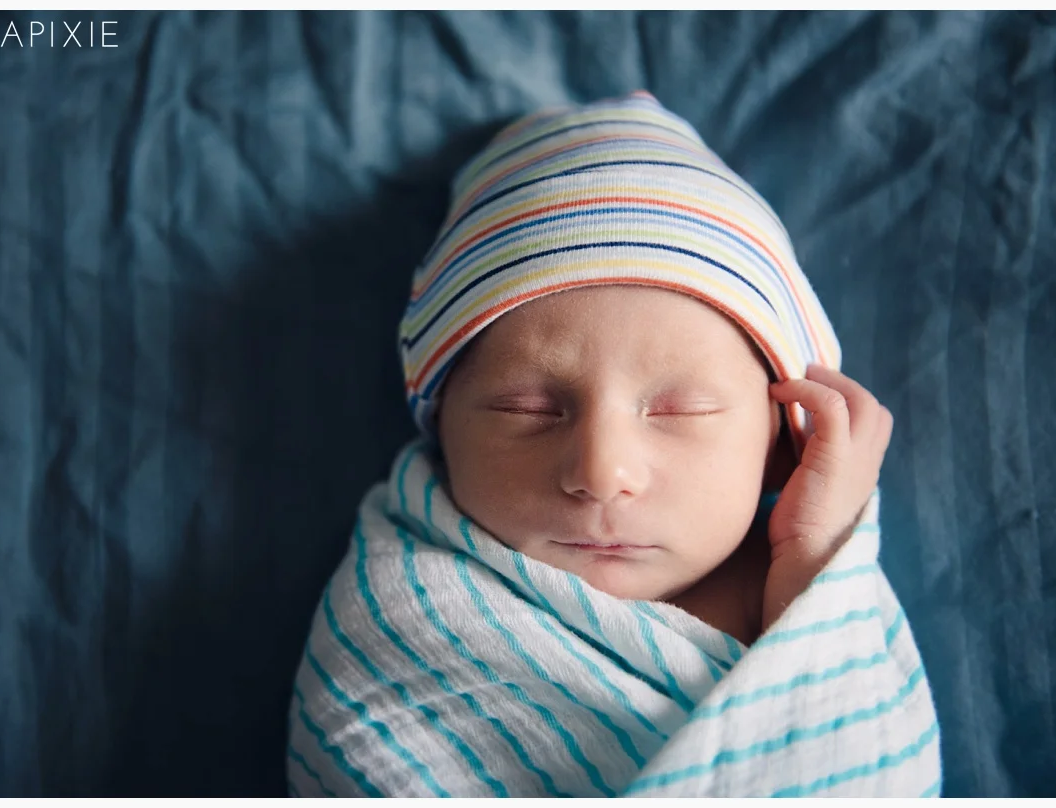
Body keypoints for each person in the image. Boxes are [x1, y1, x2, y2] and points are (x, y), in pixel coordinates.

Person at [286, 90, 941, 797]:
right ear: (443, 425)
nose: (602, 472)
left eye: (682, 409)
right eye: (527, 407)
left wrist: (816, 561)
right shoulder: (406, 618)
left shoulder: (818, 599)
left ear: (784, 440)